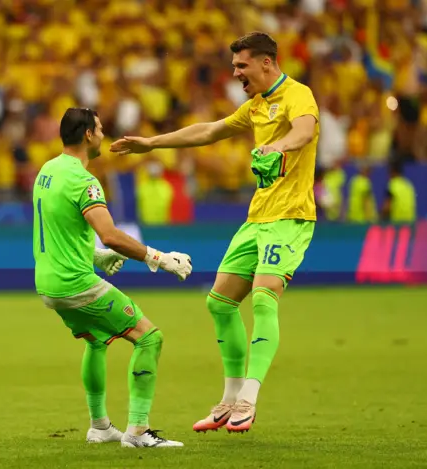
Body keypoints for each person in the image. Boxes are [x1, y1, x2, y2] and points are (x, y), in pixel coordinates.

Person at [111, 32, 320, 433]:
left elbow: (305, 131)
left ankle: (249, 398)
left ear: (267, 62)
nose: (236, 72)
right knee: (220, 302)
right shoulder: (256, 107)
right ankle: (229, 397)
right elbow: (208, 131)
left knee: (263, 297)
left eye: (242, 65)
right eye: (235, 66)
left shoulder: (298, 95)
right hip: (256, 218)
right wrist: (152, 143)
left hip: (291, 217)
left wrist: (278, 148)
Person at [33, 108, 192, 448]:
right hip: (76, 284)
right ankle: (137, 431)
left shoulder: (47, 171)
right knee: (149, 338)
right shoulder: (83, 180)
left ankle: (100, 426)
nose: (104, 134)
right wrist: (160, 259)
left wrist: (97, 257)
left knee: (96, 340)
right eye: (101, 129)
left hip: (48, 283)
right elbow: (111, 235)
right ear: (88, 134)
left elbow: (60, 231)